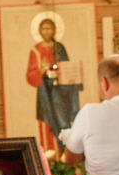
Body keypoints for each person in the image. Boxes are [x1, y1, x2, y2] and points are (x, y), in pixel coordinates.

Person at [26, 15, 82, 151]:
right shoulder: (35, 51)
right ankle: (50, 157)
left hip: (61, 94)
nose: (46, 32)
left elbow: (67, 68)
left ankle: (65, 154)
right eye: (44, 29)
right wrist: (43, 70)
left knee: (63, 123)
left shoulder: (59, 48)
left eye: (49, 29)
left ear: (54, 31)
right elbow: (30, 76)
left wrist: (63, 72)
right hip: (45, 94)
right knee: (47, 125)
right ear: (39, 31)